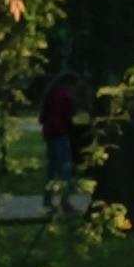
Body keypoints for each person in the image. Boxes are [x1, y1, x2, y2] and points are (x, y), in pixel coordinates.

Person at [38, 64, 81, 208]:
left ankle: (48, 199)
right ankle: (65, 201)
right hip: (60, 132)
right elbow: (68, 113)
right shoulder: (65, 94)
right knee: (65, 168)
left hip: (50, 132)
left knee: (52, 168)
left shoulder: (52, 92)